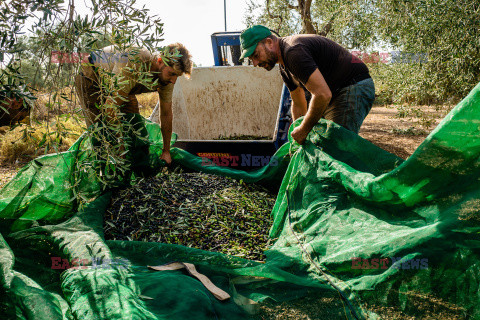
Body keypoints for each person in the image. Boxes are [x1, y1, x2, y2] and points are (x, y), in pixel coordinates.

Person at [239, 25, 375, 145]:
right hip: (334, 93)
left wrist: (304, 130)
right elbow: (298, 102)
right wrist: (297, 135)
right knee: (319, 144)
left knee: (336, 147)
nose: (255, 64)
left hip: (353, 86)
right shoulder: (284, 68)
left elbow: (322, 94)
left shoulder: (293, 52)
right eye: (252, 60)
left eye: (256, 55)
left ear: (269, 43)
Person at [74, 43, 193, 165]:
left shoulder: (167, 80)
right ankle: (106, 176)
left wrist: (166, 151)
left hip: (120, 84)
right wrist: (120, 146)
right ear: (160, 61)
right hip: (91, 75)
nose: (173, 81)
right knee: (101, 134)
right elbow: (111, 107)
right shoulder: (135, 60)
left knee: (137, 131)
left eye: (177, 76)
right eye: (171, 74)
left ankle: (138, 174)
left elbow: (166, 114)